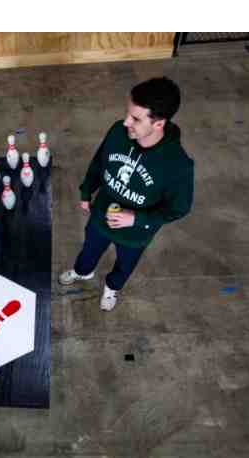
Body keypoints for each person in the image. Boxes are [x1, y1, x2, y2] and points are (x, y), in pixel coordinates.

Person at [59, 77, 194, 311]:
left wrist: (137, 219)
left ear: (158, 124)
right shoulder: (118, 132)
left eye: (136, 119)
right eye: (128, 114)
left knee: (125, 264)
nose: (125, 122)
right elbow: (99, 162)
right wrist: (85, 191)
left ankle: (112, 288)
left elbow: (179, 208)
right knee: (89, 248)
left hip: (135, 234)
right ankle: (83, 272)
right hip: (100, 215)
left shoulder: (178, 164)